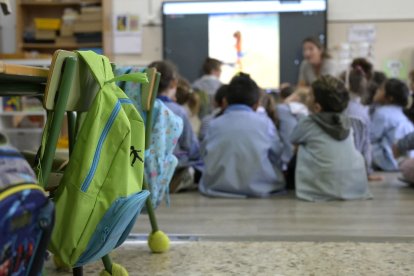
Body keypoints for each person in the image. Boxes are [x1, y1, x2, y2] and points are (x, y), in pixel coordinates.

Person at [199, 73, 285, 198]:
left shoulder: (214, 124)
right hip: (262, 187)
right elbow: (277, 153)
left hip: (216, 187)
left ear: (226, 101)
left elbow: (204, 154)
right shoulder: (266, 123)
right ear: (256, 104)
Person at [290, 75, 371, 201]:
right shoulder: (347, 122)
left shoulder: (308, 123)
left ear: (317, 107)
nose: (307, 96)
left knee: (300, 147)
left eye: (310, 94)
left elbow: (292, 139)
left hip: (319, 192)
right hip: (355, 188)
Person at [148, 60, 201, 192]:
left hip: (144, 164)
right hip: (172, 163)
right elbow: (191, 146)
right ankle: (169, 179)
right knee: (197, 164)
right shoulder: (178, 111)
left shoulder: (141, 107)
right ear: (174, 83)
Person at [345, 65, 382, 181]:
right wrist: (368, 172)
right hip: (357, 167)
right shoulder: (363, 113)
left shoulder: (338, 108)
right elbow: (366, 145)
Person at [370, 78, 414, 171]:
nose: (377, 91)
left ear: (390, 97)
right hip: (406, 160)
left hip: (390, 162)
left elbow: (371, 137)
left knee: (366, 144)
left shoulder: (382, 113)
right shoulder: (402, 113)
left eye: (381, 89)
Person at [276, 87, 310, 170]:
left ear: (295, 97)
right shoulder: (309, 115)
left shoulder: (281, 109)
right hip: (304, 164)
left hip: (284, 163)